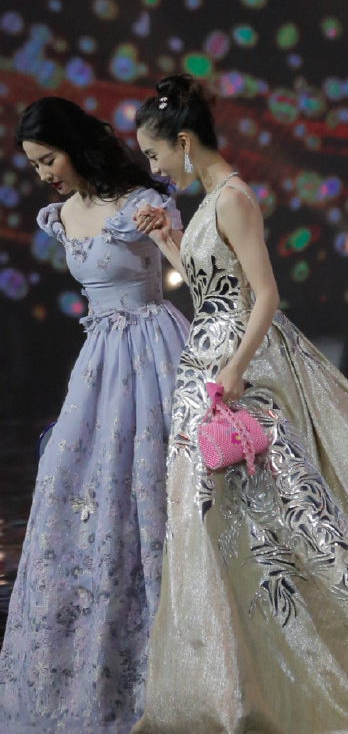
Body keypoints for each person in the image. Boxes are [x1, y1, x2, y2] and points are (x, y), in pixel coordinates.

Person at [129, 74, 348, 734]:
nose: (154, 169)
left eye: (155, 155)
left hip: (239, 372)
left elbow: (263, 295)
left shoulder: (234, 198)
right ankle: (248, 676)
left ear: (183, 142)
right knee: (226, 522)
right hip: (209, 364)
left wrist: (236, 370)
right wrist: (166, 240)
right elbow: (211, 287)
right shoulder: (210, 200)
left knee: (294, 519)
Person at [0, 97, 189, 733]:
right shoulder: (60, 216)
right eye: (33, 164)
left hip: (155, 350)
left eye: (48, 159)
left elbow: (193, 270)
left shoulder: (140, 203)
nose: (43, 174)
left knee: (156, 488)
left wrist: (173, 238)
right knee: (77, 489)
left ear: (75, 146)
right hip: (99, 361)